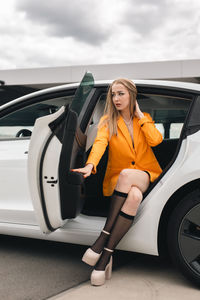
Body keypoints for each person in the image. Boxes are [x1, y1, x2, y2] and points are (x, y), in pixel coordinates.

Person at [72, 78, 163, 286]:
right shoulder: (107, 121)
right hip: (120, 180)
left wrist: (140, 116)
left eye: (121, 93)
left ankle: (101, 240)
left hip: (145, 173)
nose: (116, 98)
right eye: (113, 94)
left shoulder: (144, 118)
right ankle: (105, 258)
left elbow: (156, 140)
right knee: (134, 196)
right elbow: (99, 145)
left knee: (127, 176)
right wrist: (90, 165)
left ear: (132, 95)